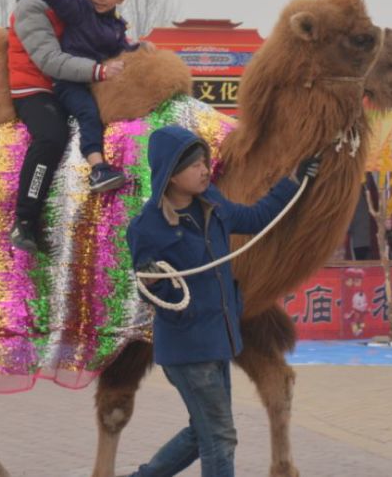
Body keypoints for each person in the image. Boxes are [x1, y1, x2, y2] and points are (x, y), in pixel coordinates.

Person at [126, 126, 320, 477]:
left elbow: (257, 218)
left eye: (205, 162)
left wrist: (292, 182)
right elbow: (150, 292)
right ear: (170, 174)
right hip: (187, 349)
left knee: (203, 434)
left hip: (218, 341)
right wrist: (154, 279)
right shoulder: (147, 227)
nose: (204, 170)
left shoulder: (213, 205)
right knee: (220, 437)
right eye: (195, 166)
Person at [8, 0, 125, 254]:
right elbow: (49, 60)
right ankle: (25, 219)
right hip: (39, 85)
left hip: (81, 80)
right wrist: (99, 71)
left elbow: (110, 28)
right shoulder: (31, 6)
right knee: (52, 136)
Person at [21, 0, 155, 195]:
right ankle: (98, 169)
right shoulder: (81, 9)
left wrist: (140, 47)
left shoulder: (116, 25)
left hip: (98, 81)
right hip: (71, 82)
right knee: (89, 113)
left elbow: (121, 48)